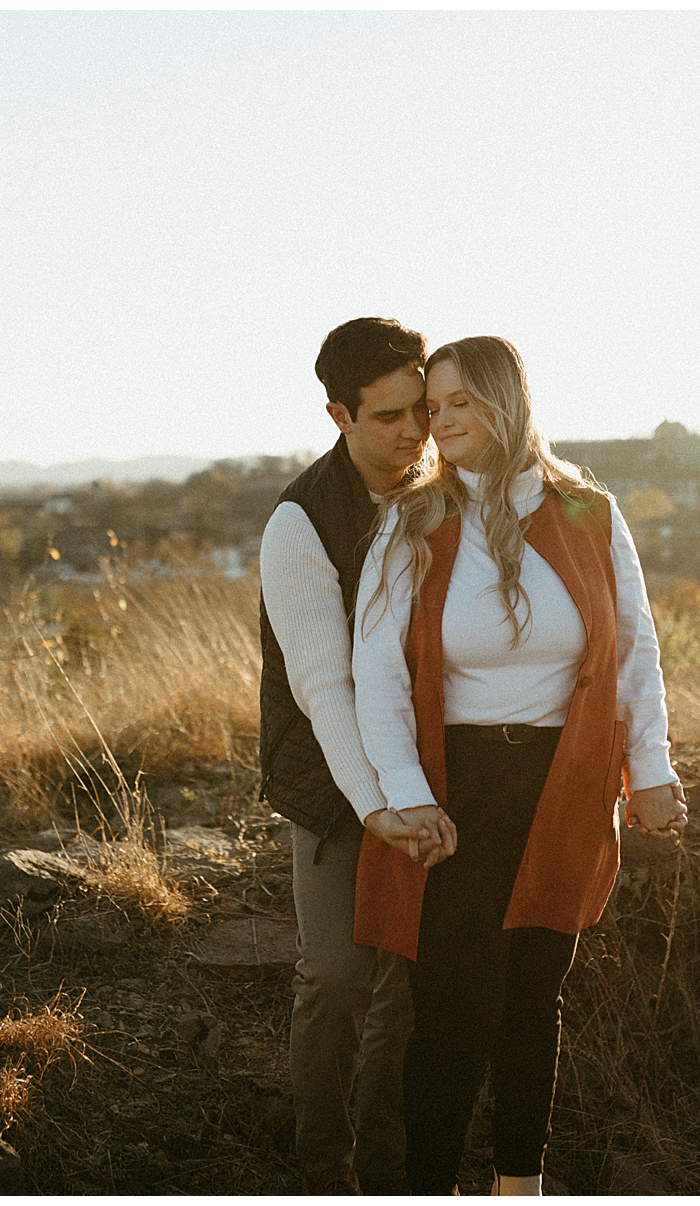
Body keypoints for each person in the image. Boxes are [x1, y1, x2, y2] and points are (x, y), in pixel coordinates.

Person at [349, 336, 687, 1195]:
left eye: (461, 402)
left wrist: (650, 766)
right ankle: (430, 1185)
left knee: (537, 998)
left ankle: (518, 1185)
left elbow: (633, 650)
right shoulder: (413, 518)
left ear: (507, 403)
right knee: (454, 1008)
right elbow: (379, 671)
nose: (441, 420)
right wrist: (409, 796)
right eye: (434, 406)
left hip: (564, 783)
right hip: (457, 788)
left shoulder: (588, 512)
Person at [257, 316, 458, 1195]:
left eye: (421, 408)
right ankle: (321, 1169)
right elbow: (323, 687)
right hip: (335, 783)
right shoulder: (301, 522)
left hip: (442, 772)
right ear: (339, 414)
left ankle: (392, 1171)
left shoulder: (454, 493)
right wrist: (375, 804)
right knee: (338, 976)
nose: (414, 432)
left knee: (408, 987)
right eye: (389, 417)